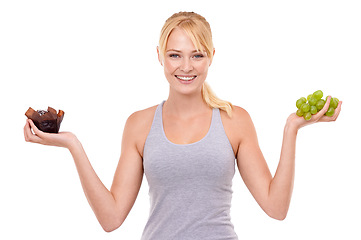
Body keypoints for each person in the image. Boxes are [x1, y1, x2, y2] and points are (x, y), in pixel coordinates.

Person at [23, 11, 342, 240]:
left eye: (197, 55)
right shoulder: (139, 125)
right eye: (175, 55)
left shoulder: (235, 120)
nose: (186, 67)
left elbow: (276, 208)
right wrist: (73, 145)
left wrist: (291, 128)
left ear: (212, 56)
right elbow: (111, 218)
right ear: (159, 55)